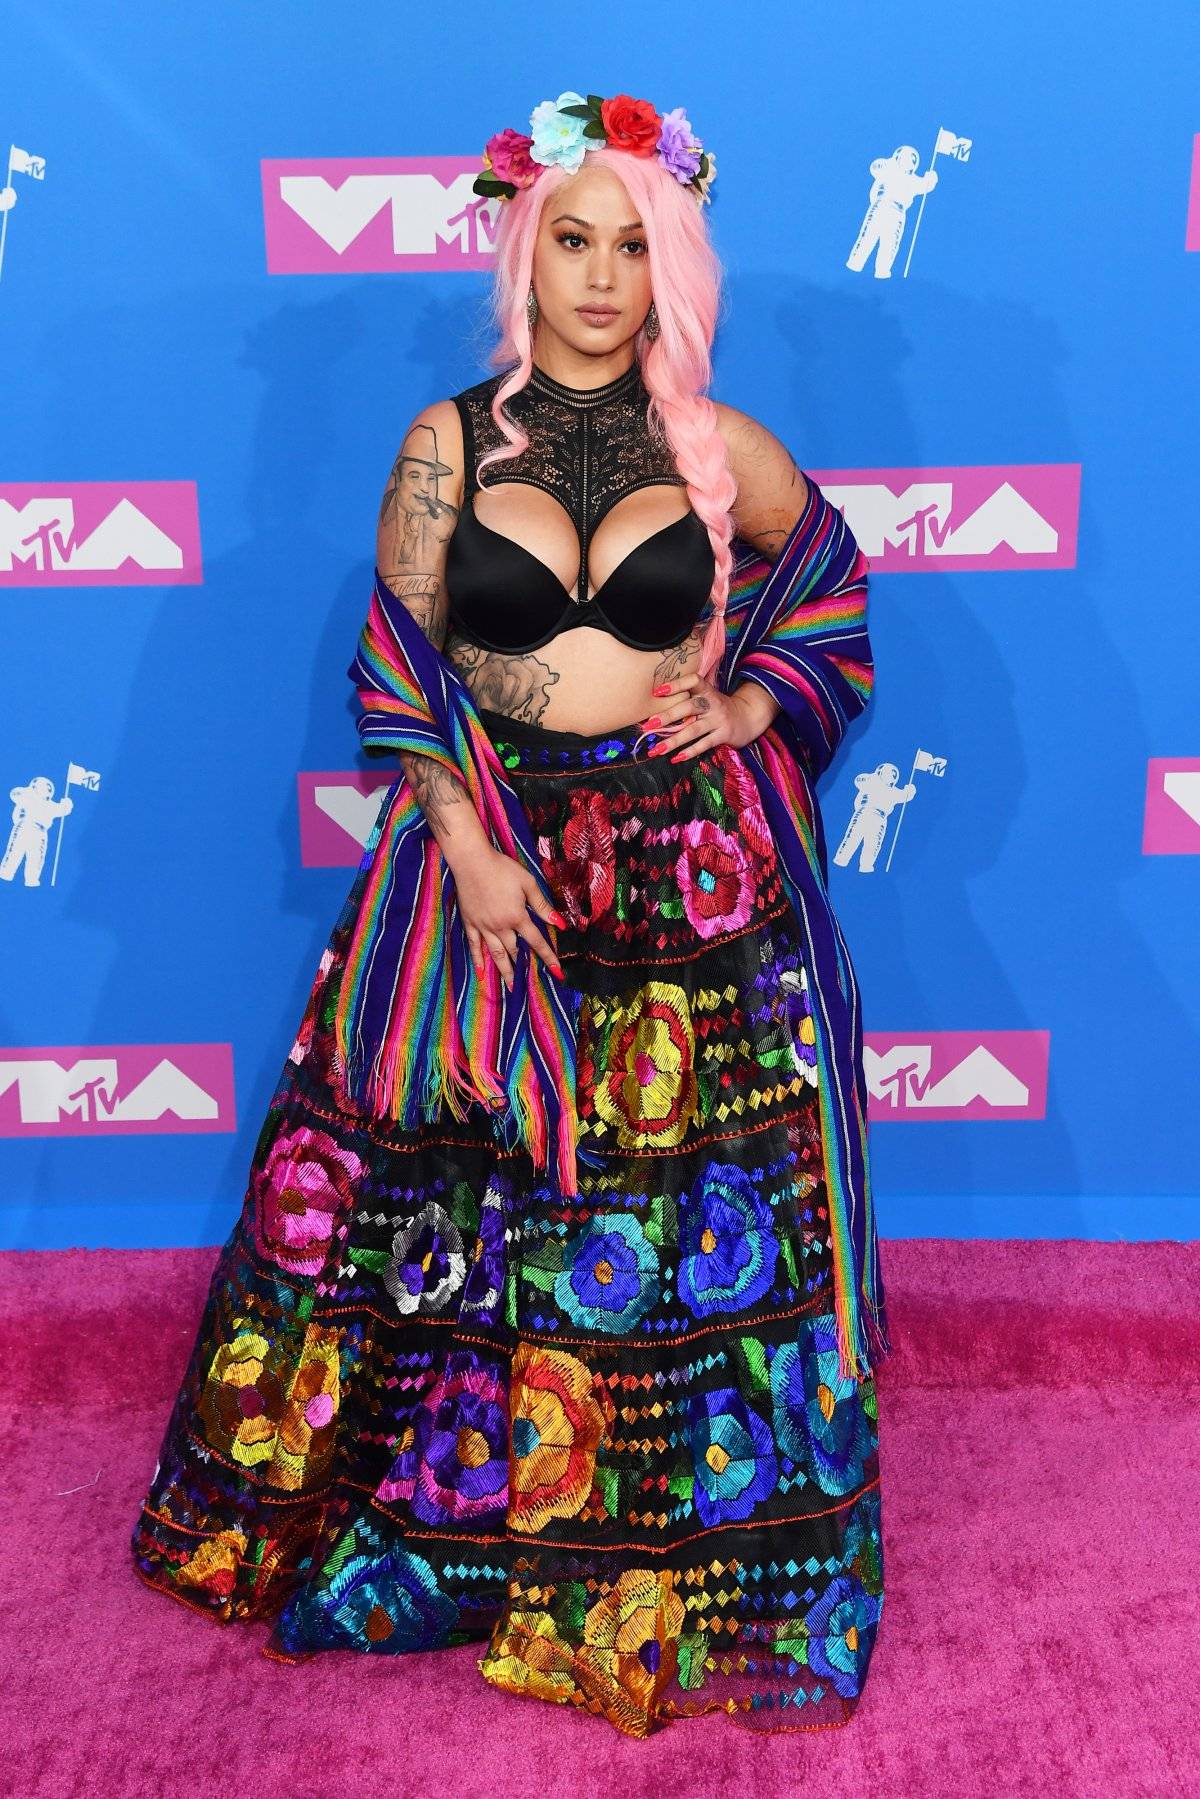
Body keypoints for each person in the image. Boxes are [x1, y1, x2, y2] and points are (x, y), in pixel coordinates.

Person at [131, 88, 891, 1740]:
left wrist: (752, 705)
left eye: (634, 247)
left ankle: (662, 1554)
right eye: (574, 242)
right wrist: (466, 844)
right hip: (490, 877)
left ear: (671, 266)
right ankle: (459, 1541)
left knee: (664, 1225)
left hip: (683, 889)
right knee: (453, 1205)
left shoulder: (717, 447)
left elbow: (828, 582)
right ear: (523, 253)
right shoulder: (450, 445)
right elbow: (401, 657)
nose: (602, 278)